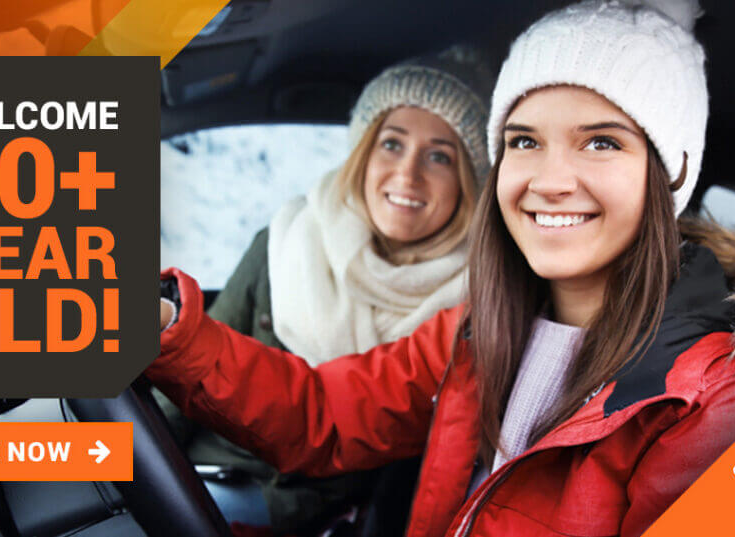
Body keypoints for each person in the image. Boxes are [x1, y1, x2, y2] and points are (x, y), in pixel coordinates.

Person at [151, 1, 735, 536]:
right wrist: (166, 332)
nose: (550, 181)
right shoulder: (480, 329)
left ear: (670, 172)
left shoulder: (712, 402)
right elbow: (323, 415)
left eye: (602, 143)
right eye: (524, 140)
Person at [160, 47, 495, 534]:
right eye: (392, 143)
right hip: (196, 480)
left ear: (471, 181)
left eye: (440, 156)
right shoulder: (288, 240)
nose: (407, 173)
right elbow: (178, 396)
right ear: (363, 153)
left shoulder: (476, 312)